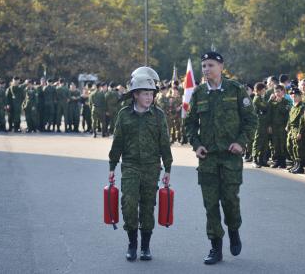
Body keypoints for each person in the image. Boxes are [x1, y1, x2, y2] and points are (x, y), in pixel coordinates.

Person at [185, 51, 257, 265]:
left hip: (230, 159)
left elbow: (251, 120)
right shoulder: (198, 93)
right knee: (210, 205)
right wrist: (196, 145)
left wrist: (241, 142)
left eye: (210, 65)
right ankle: (215, 247)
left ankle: (233, 229)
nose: (206, 69)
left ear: (221, 67)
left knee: (230, 201)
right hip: (207, 159)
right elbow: (189, 124)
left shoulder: (235, 90)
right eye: (204, 66)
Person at [108, 67, 172, 261]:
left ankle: (145, 247)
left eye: (151, 94)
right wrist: (112, 166)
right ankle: (132, 244)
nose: (149, 97)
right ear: (135, 95)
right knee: (128, 204)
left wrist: (168, 168)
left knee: (147, 206)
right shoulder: (124, 115)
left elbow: (164, 143)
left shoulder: (158, 115)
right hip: (130, 166)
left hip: (152, 167)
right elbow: (117, 142)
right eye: (145, 93)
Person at [268, 84, 291, 168]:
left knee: (282, 144)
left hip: (282, 126)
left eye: (278, 91)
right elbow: (268, 112)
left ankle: (283, 161)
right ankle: (277, 160)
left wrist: (280, 102)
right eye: (275, 91)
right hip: (274, 126)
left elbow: (285, 112)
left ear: (283, 92)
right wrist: (269, 125)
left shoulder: (286, 101)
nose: (277, 93)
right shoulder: (272, 101)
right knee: (275, 144)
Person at [286, 88, 305, 174]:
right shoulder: (293, 106)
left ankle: (300, 166)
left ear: (300, 96)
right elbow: (290, 118)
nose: (294, 98)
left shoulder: (302, 107)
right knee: (291, 146)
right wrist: (287, 126)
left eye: (296, 96)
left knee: (299, 148)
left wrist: (300, 132)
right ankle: (296, 163)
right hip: (292, 130)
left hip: (298, 129)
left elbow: (302, 121)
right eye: (292, 96)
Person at [252, 82, 270, 168]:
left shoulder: (262, 98)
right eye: (263, 90)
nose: (264, 92)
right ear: (258, 91)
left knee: (265, 141)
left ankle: (262, 159)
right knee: (258, 140)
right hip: (259, 123)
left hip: (264, 123)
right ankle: (254, 159)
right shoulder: (257, 99)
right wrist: (270, 100)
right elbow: (265, 107)